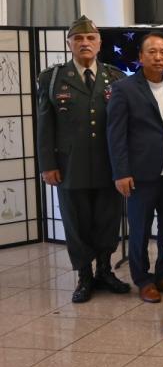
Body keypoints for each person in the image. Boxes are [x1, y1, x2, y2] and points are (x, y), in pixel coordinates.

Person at [37, 16, 130, 303]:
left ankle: (104, 269)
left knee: (107, 218)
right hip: (70, 165)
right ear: (69, 44)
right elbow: (45, 124)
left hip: (108, 164)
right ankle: (84, 275)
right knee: (76, 222)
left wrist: (125, 166)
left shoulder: (115, 77)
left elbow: (125, 125)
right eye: (78, 39)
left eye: (90, 38)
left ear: (100, 44)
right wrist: (47, 165)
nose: (85, 43)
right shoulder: (52, 78)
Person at [107, 32, 163, 303]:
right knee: (139, 228)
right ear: (140, 57)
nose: (158, 57)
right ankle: (142, 279)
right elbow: (115, 134)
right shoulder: (124, 88)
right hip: (139, 173)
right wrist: (121, 172)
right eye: (152, 51)